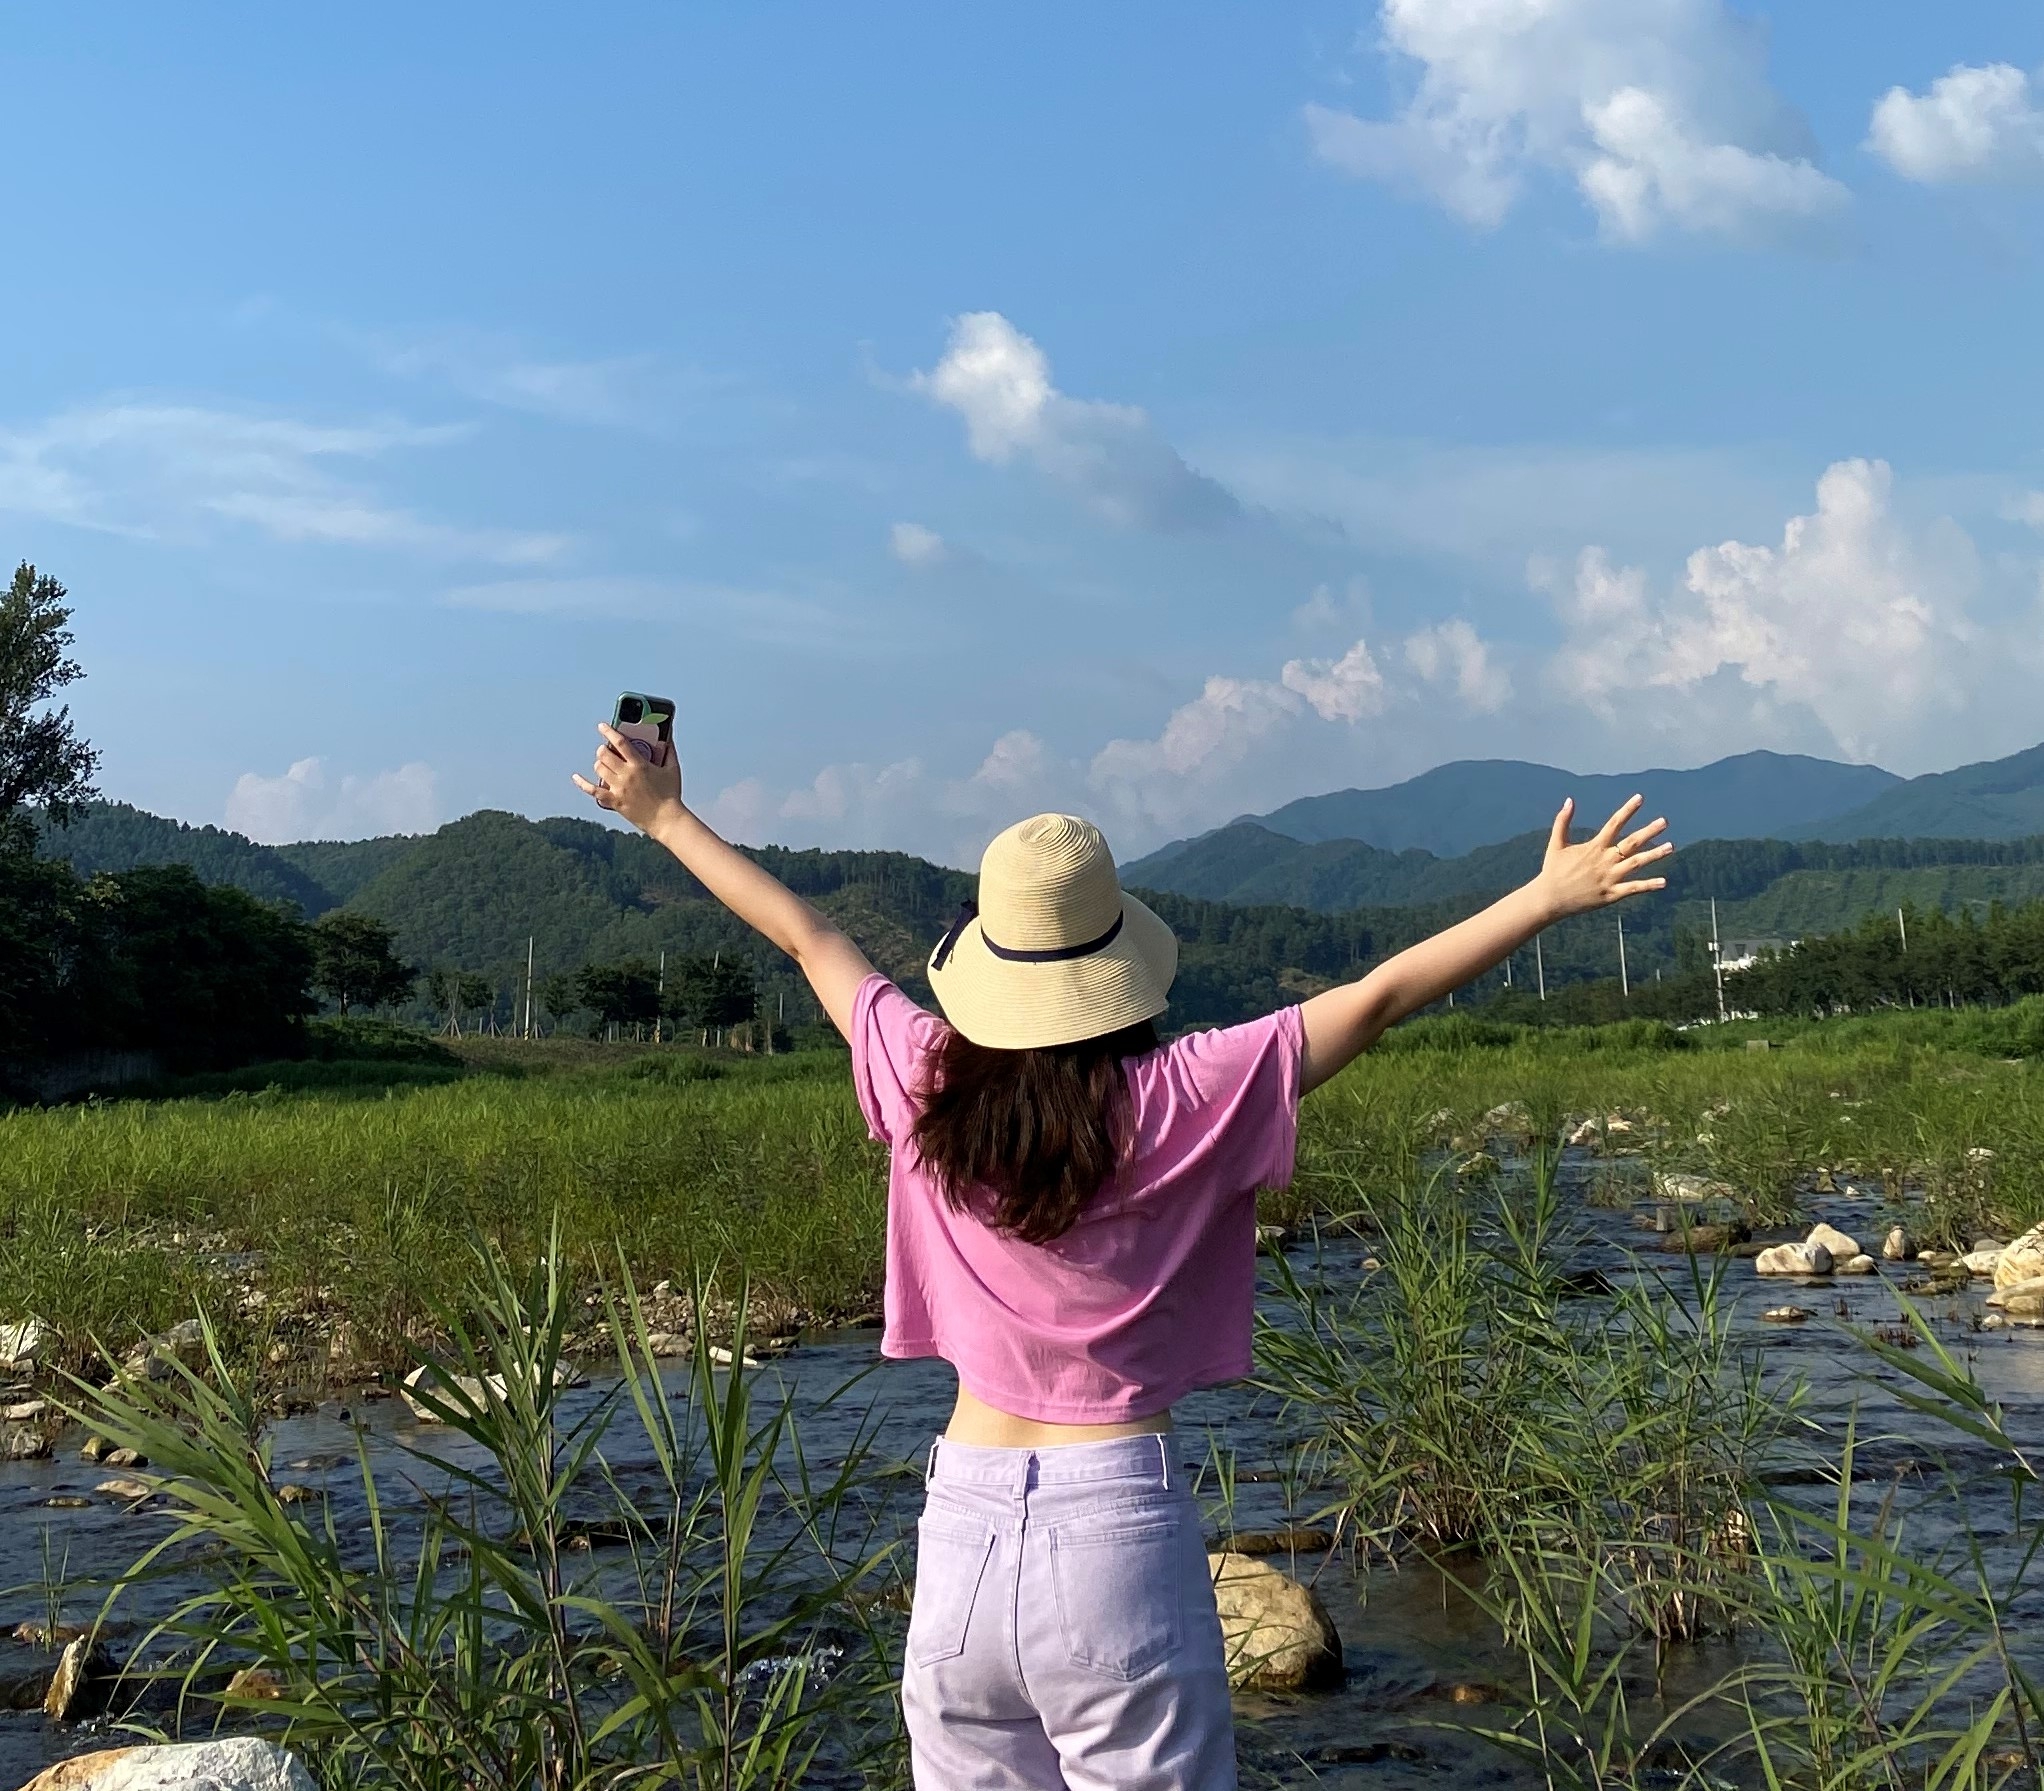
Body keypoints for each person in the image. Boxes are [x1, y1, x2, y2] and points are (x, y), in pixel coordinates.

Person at [575, 724, 1672, 1791]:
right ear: (1116, 965)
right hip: (1114, 1529)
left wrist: (664, 816)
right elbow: (1378, 995)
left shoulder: (922, 1076)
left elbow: (810, 938)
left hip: (959, 1526)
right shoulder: (1186, 1092)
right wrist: (1543, 896)